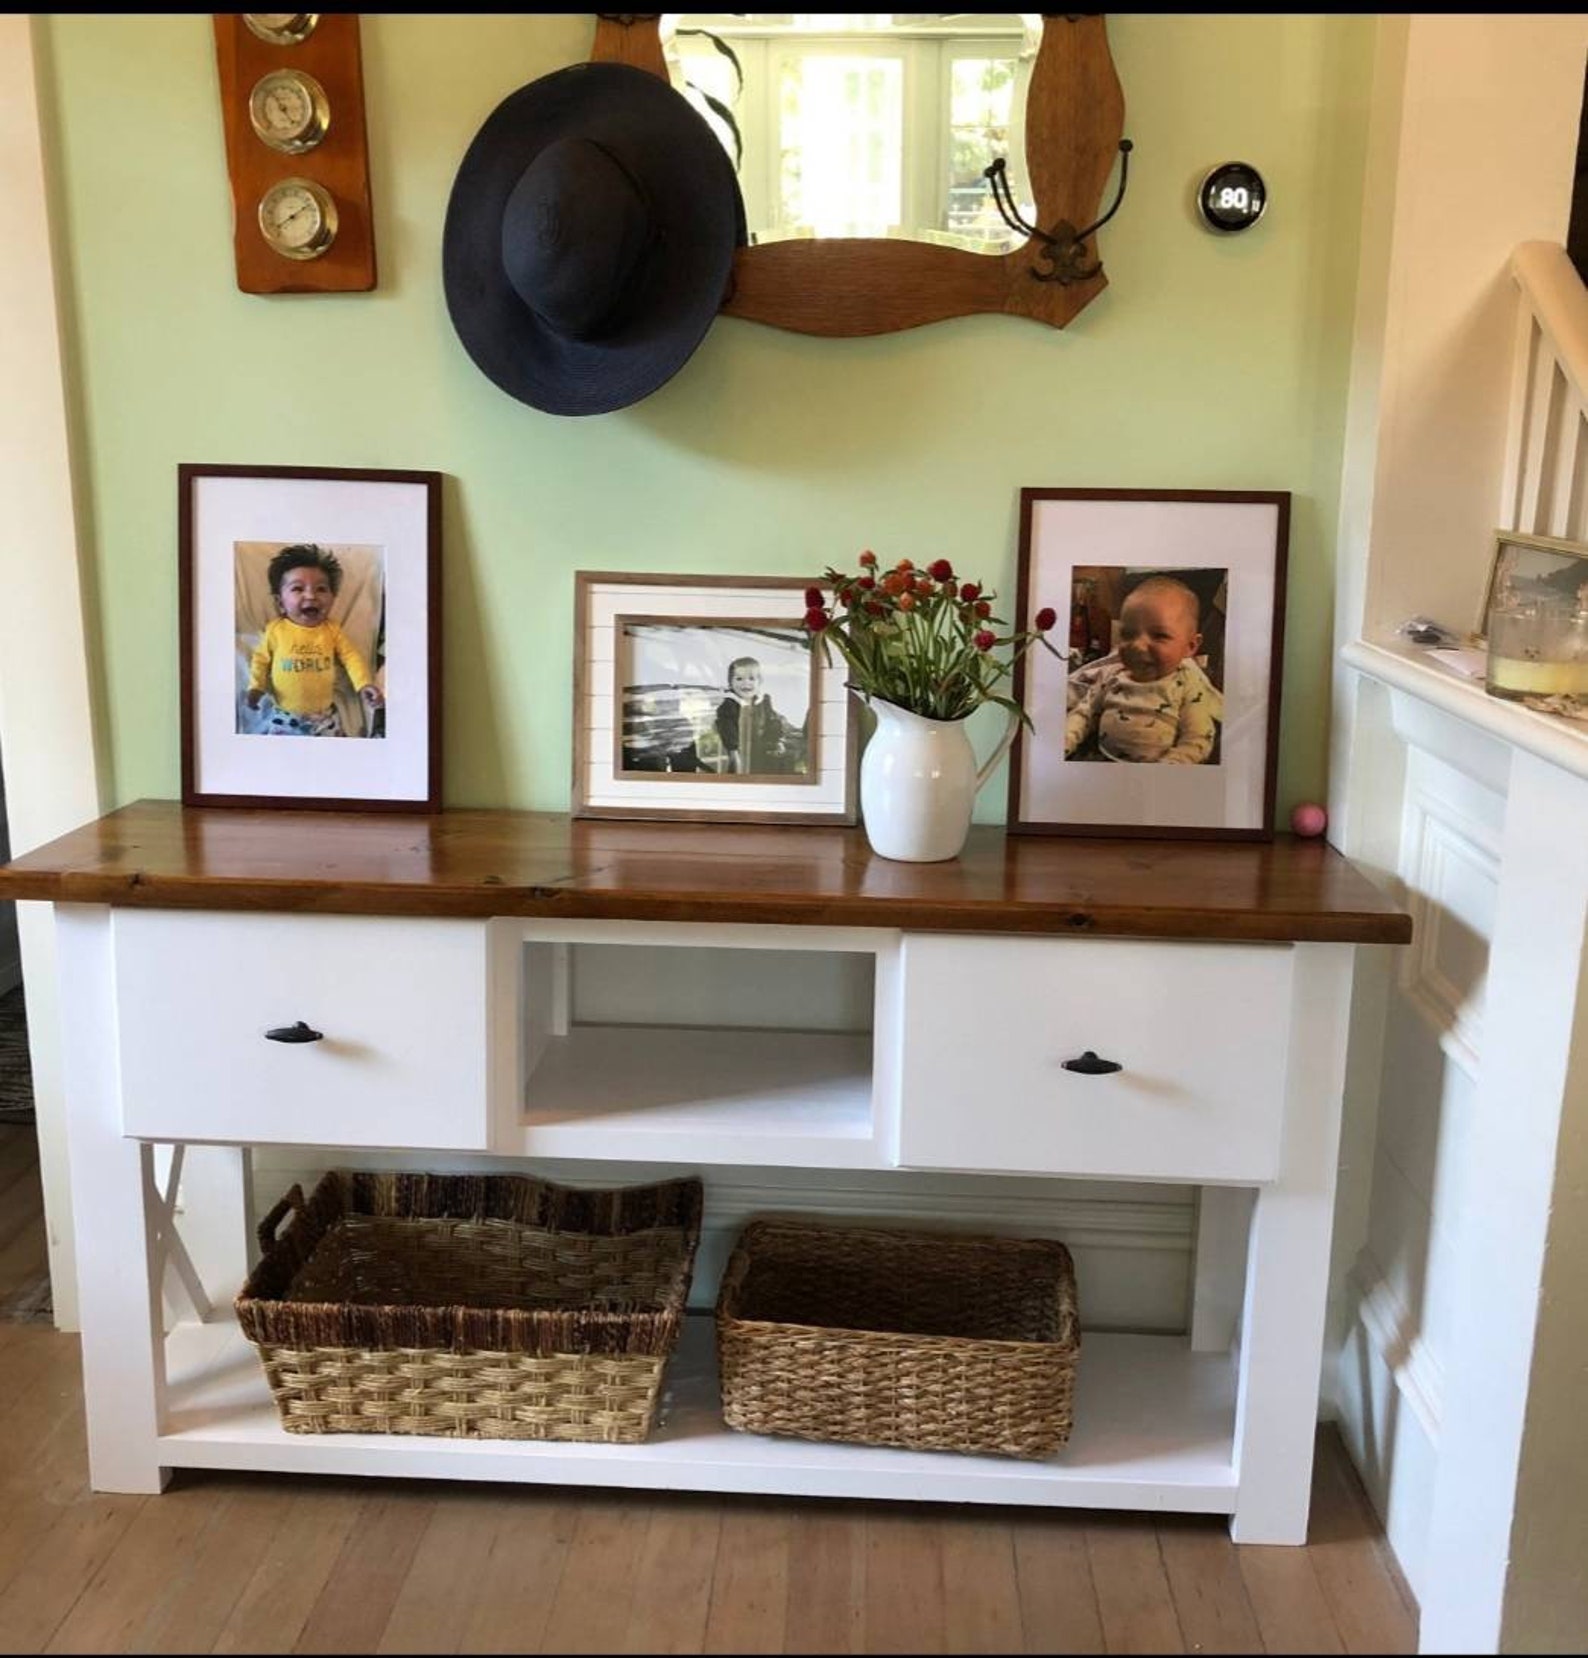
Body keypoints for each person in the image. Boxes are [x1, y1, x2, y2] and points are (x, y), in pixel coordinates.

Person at [1064, 575, 1223, 764]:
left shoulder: (1188, 686)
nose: (1138, 645)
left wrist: (1168, 769)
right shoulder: (1112, 677)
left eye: (1159, 635)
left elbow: (1197, 739)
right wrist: (1065, 742)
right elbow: (1084, 714)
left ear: (1190, 646)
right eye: (1128, 634)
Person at [244, 544, 384, 737]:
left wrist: (364, 684)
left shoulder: (331, 630)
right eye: (298, 588)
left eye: (321, 589)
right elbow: (260, 660)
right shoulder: (276, 630)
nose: (311, 595)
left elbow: (351, 657)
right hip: (284, 716)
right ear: (280, 603)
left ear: (333, 599)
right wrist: (256, 688)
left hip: (324, 717)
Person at [711, 656, 803, 774]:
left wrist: (777, 741)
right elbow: (729, 735)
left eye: (751, 678)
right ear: (730, 683)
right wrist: (735, 755)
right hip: (740, 753)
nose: (746, 683)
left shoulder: (763, 703)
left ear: (759, 681)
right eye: (739, 679)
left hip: (761, 752)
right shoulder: (729, 707)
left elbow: (773, 723)